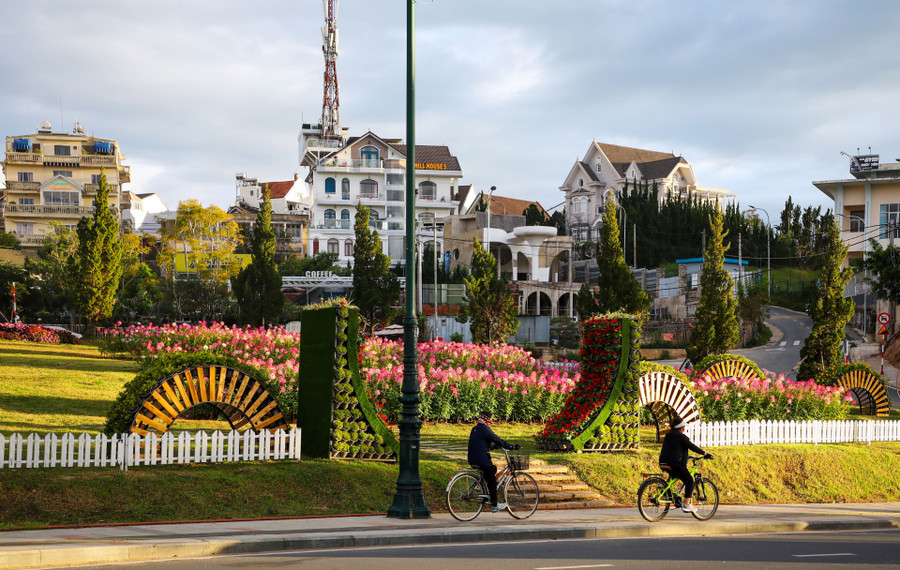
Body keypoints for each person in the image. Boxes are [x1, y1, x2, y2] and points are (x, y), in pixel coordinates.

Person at [658, 415, 713, 513]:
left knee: (674, 476)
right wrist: (705, 454)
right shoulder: (681, 437)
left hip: (663, 462)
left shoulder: (669, 435)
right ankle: (687, 504)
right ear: (681, 427)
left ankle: (664, 489)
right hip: (675, 463)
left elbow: (674, 449)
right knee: (689, 481)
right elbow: (692, 447)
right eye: (684, 427)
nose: (684, 428)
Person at [467, 411, 520, 513]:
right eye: (490, 419)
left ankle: (481, 485)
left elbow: (481, 444)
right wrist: (511, 446)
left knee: (492, 470)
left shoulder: (475, 429)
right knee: (492, 479)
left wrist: (493, 447)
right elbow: (499, 440)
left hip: (472, 458)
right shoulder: (486, 430)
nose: (491, 421)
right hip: (481, 459)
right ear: (487, 419)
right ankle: (494, 505)